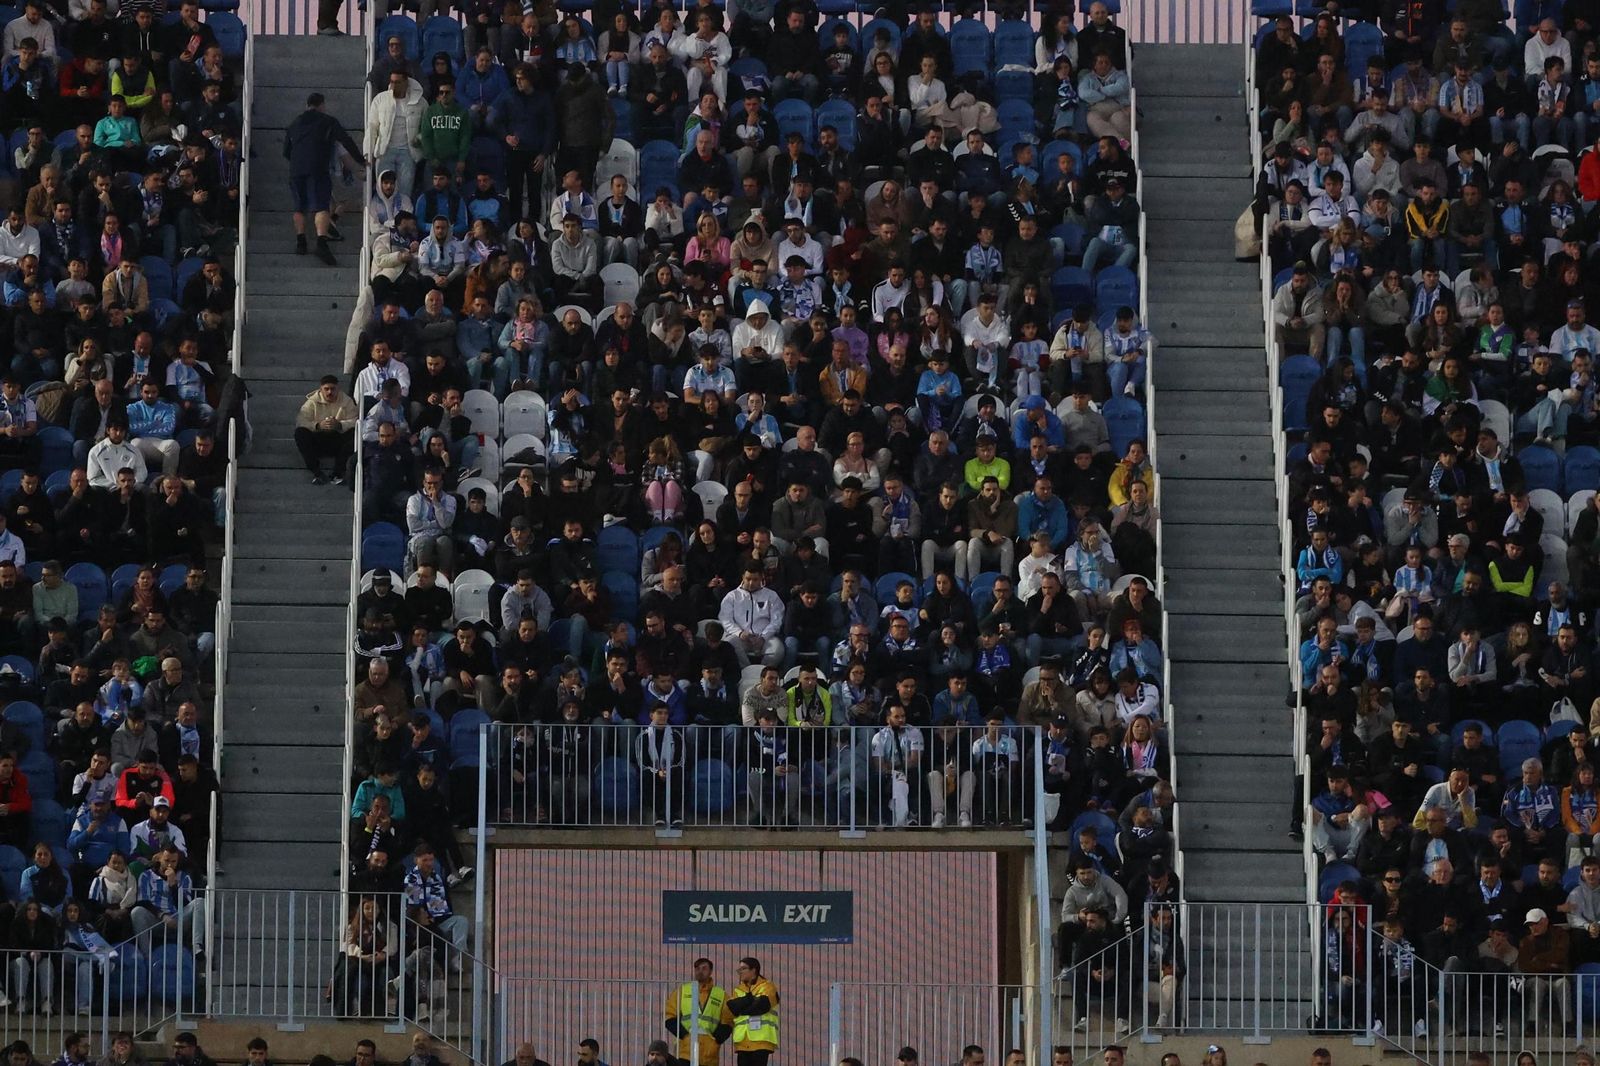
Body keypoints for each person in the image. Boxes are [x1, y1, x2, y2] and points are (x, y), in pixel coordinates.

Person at [283, 92, 363, 264]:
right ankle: (321, 242)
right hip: (318, 168)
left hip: (296, 169)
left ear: (307, 105)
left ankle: (301, 241)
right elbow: (346, 140)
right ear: (322, 105)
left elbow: (286, 151)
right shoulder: (328, 121)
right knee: (321, 207)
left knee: (299, 207)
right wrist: (361, 160)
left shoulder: (294, 123)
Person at [666, 958, 735, 1066]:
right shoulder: (682, 991)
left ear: (711, 971)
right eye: (697, 968)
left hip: (709, 1053)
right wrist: (684, 1035)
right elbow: (669, 1017)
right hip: (685, 1051)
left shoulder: (721, 995)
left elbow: (728, 1022)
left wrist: (716, 1040)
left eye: (704, 968)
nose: (700, 971)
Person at [728, 958, 779, 1066]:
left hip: (761, 1041)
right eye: (739, 969)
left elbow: (762, 1006)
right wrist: (751, 999)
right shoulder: (738, 989)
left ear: (754, 970)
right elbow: (732, 1008)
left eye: (743, 968)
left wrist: (742, 1007)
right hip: (742, 1041)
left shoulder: (767, 986)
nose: (740, 972)